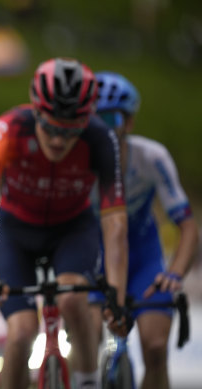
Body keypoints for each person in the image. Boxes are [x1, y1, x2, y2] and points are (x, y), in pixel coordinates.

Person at [0, 57, 130, 389]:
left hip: (72, 229)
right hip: (15, 231)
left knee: (72, 299)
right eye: (51, 127)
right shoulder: (10, 128)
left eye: (71, 130)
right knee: (20, 332)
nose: (59, 141)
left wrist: (116, 298)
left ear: (87, 121)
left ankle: (87, 380)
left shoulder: (100, 138)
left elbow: (115, 223)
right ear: (36, 111)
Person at [91, 71, 199, 389]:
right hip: (94, 259)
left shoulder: (152, 157)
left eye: (112, 117)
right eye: (97, 118)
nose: (105, 127)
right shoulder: (75, 161)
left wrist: (176, 272)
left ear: (130, 123)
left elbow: (188, 227)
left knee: (154, 348)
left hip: (144, 259)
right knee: (84, 343)